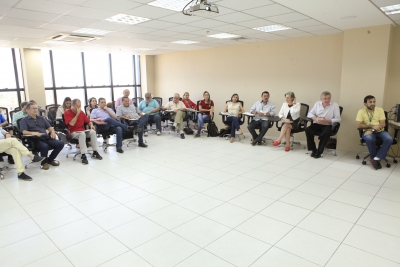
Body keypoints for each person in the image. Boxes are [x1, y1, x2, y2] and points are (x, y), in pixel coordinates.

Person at [19, 102, 64, 170]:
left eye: (36, 108)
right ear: (27, 110)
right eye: (33, 108)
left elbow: (49, 127)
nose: (35, 110)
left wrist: (52, 132)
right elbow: (24, 132)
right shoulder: (24, 120)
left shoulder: (41, 118)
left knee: (60, 143)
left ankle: (50, 160)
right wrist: (33, 133)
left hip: (45, 137)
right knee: (44, 146)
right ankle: (44, 163)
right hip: (34, 140)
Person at [356, 95, 393, 170]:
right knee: (369, 139)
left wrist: (373, 130)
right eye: (370, 102)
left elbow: (383, 124)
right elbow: (358, 125)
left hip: (380, 131)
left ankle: (376, 158)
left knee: (389, 139)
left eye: (374, 102)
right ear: (365, 103)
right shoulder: (361, 111)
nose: (373, 103)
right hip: (367, 131)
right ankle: (374, 158)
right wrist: (372, 126)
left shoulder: (380, 110)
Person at [64, 99, 103, 164]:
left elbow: (88, 121)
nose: (79, 108)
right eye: (77, 106)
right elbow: (72, 123)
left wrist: (91, 125)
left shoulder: (82, 112)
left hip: (82, 131)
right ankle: (83, 155)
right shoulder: (67, 113)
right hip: (73, 133)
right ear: (72, 105)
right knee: (82, 134)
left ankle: (95, 152)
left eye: (80, 106)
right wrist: (77, 114)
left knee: (92, 132)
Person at [306, 91, 341, 159]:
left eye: (329, 98)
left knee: (326, 132)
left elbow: (338, 119)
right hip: (318, 123)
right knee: (308, 130)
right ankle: (313, 149)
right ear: (321, 99)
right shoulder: (317, 104)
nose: (327, 100)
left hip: (328, 124)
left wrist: (327, 121)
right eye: (325, 98)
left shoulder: (335, 105)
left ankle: (319, 151)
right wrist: (315, 119)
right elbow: (310, 114)